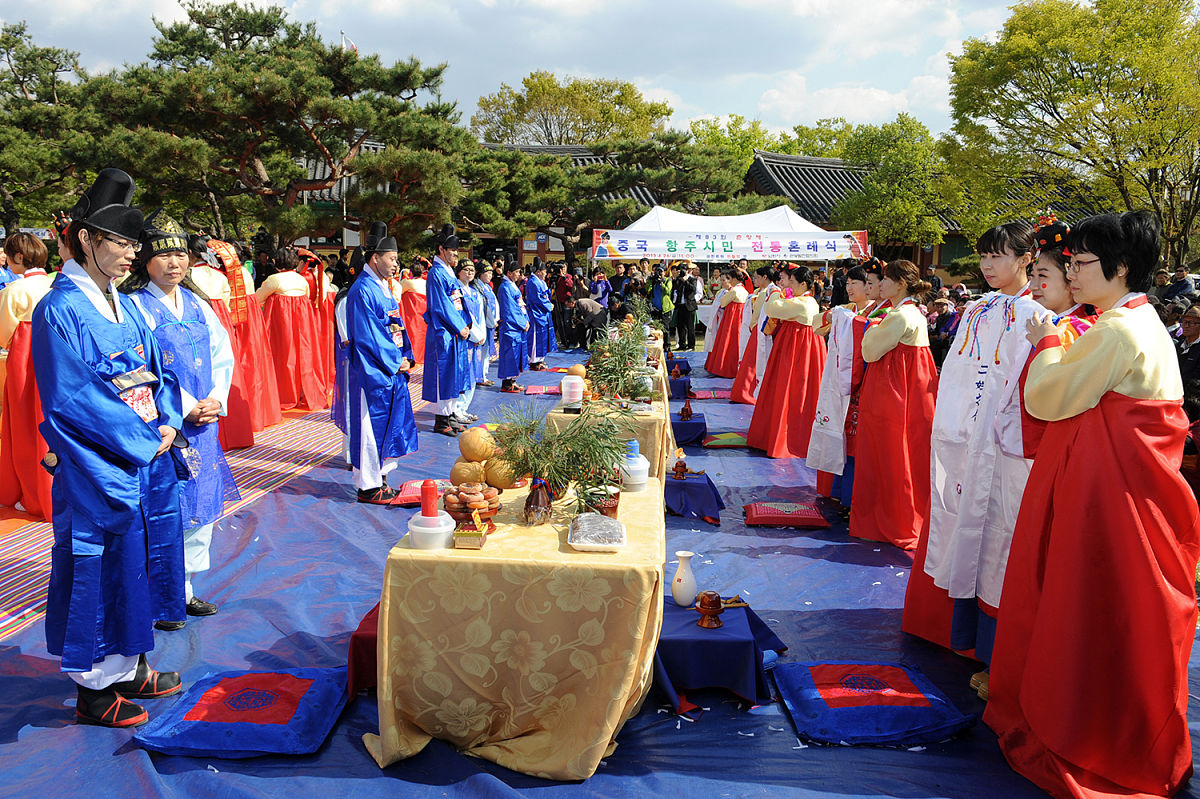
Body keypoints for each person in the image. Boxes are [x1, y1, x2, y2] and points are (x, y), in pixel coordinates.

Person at [984, 211, 1200, 799]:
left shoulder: (1114, 330)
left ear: (1122, 267)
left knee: (1092, 608)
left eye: (1081, 263)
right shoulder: (1137, 320)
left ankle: (1088, 731)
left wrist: (1050, 340)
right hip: (1125, 490)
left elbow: (1048, 396)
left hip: (1110, 499)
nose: (1072, 274)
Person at [33, 169, 186, 727]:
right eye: (118, 241)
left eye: (132, 242)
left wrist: (169, 420)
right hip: (100, 463)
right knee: (98, 564)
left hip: (145, 453)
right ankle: (95, 689)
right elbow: (71, 399)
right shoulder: (61, 309)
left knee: (140, 561)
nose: (130, 253)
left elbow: (159, 370)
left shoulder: (127, 304)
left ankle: (131, 665)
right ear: (85, 240)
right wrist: (145, 439)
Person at [903, 220, 1043, 671]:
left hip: (1004, 444)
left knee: (997, 533)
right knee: (954, 521)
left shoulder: (1037, 314)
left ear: (1026, 259)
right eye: (983, 255)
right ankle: (950, 626)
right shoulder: (980, 306)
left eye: (997, 255)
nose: (986, 264)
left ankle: (988, 644)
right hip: (962, 435)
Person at [122, 210, 240, 628]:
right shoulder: (134, 308)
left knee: (201, 505)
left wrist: (214, 399)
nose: (174, 263)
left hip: (205, 424)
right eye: (163, 256)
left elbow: (222, 357)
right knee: (163, 508)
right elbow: (139, 369)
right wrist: (185, 403)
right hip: (166, 427)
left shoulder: (199, 304)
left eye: (180, 255)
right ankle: (160, 596)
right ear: (145, 261)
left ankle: (185, 589)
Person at [848, 259, 937, 550]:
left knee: (887, 455)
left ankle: (886, 520)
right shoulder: (910, 313)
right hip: (905, 392)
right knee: (904, 455)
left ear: (900, 284)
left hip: (891, 394)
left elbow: (870, 351)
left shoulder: (899, 316)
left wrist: (870, 327)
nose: (880, 284)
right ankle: (898, 517)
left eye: (885, 279)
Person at [345, 231, 418, 502]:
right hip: (372, 371)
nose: (396, 264)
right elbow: (369, 335)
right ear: (375, 258)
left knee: (390, 423)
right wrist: (394, 360)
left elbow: (396, 325)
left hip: (391, 368)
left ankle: (382, 478)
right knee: (369, 426)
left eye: (397, 259)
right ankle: (368, 486)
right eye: (392, 258)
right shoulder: (362, 289)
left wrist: (406, 354)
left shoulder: (382, 286)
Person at [0, 232, 54, 520]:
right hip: (58, 360)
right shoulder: (58, 283)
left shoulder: (14, 291)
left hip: (25, 363)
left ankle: (32, 494)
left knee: (24, 428)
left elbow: (3, 334)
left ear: (18, 257)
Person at [746, 265, 827, 458]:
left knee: (788, 390)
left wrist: (774, 291)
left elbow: (772, 308)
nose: (787, 284)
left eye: (791, 282)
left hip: (795, 349)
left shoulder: (802, 303)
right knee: (795, 391)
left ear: (803, 284)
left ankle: (785, 439)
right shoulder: (805, 301)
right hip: (797, 346)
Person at [808, 265, 872, 508]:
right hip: (840, 380)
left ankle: (851, 495)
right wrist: (833, 317)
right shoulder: (845, 310)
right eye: (847, 284)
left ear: (870, 285)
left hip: (862, 381)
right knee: (839, 432)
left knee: (856, 439)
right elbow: (817, 325)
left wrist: (850, 321)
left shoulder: (878, 311)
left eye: (854, 283)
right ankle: (835, 488)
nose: (849, 288)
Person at [206, 238, 281, 435]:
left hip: (236, 319)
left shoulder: (223, 276)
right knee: (252, 364)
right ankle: (255, 413)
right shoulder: (243, 273)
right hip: (251, 316)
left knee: (241, 364)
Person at [255, 247, 325, 411]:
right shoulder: (301, 279)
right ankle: (302, 392)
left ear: (275, 262)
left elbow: (258, 298)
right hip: (302, 324)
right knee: (302, 357)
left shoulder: (274, 279)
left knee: (284, 357)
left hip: (282, 323)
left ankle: (285, 393)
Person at [422, 224, 471, 436]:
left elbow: (459, 301)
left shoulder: (449, 272)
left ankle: (451, 414)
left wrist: (467, 323)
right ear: (441, 249)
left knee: (455, 374)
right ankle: (441, 420)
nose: (455, 254)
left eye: (457, 251)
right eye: (452, 250)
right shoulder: (436, 273)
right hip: (446, 331)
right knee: (444, 374)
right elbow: (441, 305)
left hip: (457, 331)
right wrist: (460, 326)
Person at [703, 269, 749, 378]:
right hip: (740, 318)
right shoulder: (744, 290)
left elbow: (723, 302)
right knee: (737, 341)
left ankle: (723, 367)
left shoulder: (734, 291)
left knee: (726, 341)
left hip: (731, 317)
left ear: (734, 279)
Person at [457, 260, 484, 424]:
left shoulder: (474, 292)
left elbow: (479, 316)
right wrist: (474, 335)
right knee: (464, 375)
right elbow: (464, 318)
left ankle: (464, 408)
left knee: (473, 374)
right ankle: (457, 409)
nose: (469, 272)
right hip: (466, 338)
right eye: (466, 269)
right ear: (459, 272)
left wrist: (482, 336)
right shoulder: (457, 291)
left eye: (472, 270)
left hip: (477, 339)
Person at [497, 260, 529, 393]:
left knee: (515, 354)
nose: (518, 274)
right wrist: (522, 322)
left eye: (518, 272)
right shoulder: (505, 287)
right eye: (515, 272)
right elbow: (510, 309)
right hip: (511, 326)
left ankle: (512, 380)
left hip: (517, 324)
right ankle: (506, 383)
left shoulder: (512, 286)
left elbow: (519, 306)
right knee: (509, 354)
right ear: (509, 273)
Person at [525, 259, 555, 371]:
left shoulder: (540, 282)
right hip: (536, 313)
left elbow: (544, 297)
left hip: (542, 312)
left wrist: (548, 304)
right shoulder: (533, 282)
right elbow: (537, 299)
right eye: (544, 271)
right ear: (538, 271)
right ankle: (533, 361)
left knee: (542, 337)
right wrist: (548, 305)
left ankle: (540, 359)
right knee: (535, 338)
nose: (545, 273)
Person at [474, 263, 500, 386]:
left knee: (486, 351)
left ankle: (483, 374)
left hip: (490, 324)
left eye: (491, 273)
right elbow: (485, 308)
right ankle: (480, 376)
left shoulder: (487, 287)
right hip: (484, 323)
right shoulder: (478, 288)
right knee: (482, 351)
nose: (490, 275)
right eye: (487, 273)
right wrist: (492, 321)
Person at [399, 259, 428, 365]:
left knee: (413, 335)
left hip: (412, 313)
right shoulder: (426, 283)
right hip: (424, 313)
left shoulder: (408, 282)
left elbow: (398, 292)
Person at [670, 262, 699, 351]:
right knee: (680, 327)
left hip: (689, 306)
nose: (681, 272)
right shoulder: (677, 279)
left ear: (688, 271)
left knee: (690, 327)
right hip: (680, 306)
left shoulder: (692, 279)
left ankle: (691, 346)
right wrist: (678, 279)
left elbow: (693, 290)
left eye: (683, 270)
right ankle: (682, 344)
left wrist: (685, 281)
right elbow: (674, 289)